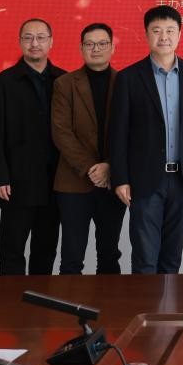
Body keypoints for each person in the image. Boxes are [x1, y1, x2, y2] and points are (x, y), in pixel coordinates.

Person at [109, 5, 183, 273]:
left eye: (170, 31)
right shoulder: (129, 77)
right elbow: (118, 132)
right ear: (146, 34)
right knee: (144, 258)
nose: (164, 37)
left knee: (172, 257)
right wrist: (120, 178)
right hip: (144, 180)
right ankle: (145, 303)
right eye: (157, 30)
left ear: (180, 35)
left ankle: (168, 302)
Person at [0, 18, 67, 275]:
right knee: (12, 251)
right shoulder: (4, 82)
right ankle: (12, 301)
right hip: (15, 182)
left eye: (41, 37)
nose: (35, 43)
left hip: (55, 182)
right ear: (20, 42)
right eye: (28, 38)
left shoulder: (64, 80)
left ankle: (39, 302)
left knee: (46, 250)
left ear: (51, 42)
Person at [51, 22, 125, 275]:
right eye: (89, 44)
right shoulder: (64, 84)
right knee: (72, 257)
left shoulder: (125, 82)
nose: (96, 49)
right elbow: (61, 131)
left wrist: (110, 166)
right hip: (73, 183)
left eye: (102, 43)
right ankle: (69, 304)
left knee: (109, 254)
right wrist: (91, 168)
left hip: (113, 182)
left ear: (112, 48)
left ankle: (109, 303)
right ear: (81, 48)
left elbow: (132, 132)